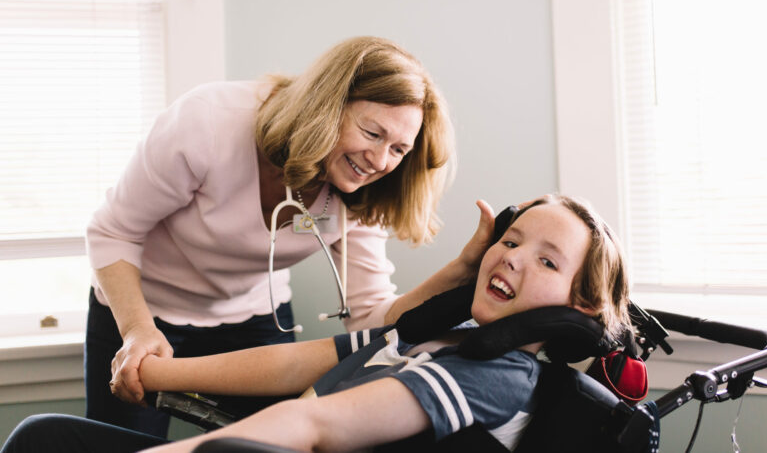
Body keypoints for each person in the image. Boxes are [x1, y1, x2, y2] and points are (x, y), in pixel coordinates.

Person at [4, 194, 631, 452]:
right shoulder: (434, 333)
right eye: (512, 239)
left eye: (546, 260)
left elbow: (316, 421)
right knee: (43, 438)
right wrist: (161, 370)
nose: (514, 257)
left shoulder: (497, 377)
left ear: (579, 306)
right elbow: (295, 363)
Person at [83, 36, 461, 437]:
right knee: (125, 444)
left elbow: (369, 315)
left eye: (399, 149)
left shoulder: (365, 191)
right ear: (327, 106)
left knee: (266, 444)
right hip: (141, 309)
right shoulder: (209, 122)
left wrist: (460, 273)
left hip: (253, 318)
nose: (381, 161)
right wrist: (138, 330)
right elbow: (113, 231)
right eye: (372, 133)